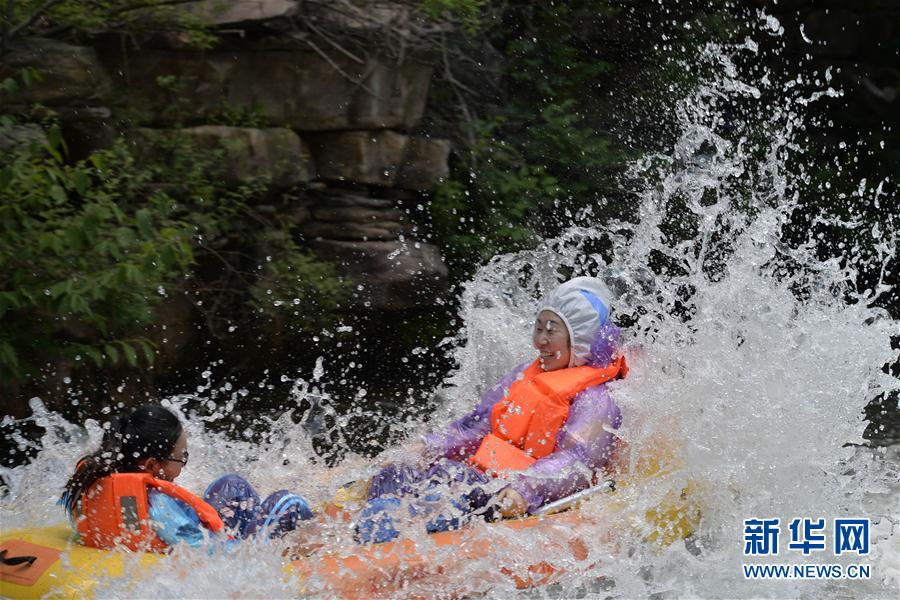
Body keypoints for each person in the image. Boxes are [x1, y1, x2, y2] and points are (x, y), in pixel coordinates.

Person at [356, 277, 627, 543]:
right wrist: (426, 447)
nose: (540, 341)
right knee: (399, 471)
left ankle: (398, 533)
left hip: (511, 490)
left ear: (579, 340)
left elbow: (577, 462)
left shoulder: (596, 399)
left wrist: (525, 489)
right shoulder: (524, 375)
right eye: (538, 328)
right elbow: (475, 429)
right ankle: (377, 522)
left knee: (451, 479)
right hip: (479, 476)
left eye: (551, 330)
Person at [60, 405, 313, 552]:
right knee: (287, 502)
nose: (182, 464)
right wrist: (249, 547)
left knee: (231, 485)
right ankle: (323, 550)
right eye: (181, 458)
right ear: (152, 465)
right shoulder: (159, 507)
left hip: (161, 539)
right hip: (232, 554)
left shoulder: (92, 483)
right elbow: (205, 552)